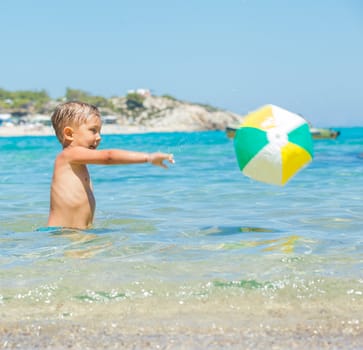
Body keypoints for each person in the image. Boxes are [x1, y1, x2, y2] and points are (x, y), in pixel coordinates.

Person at [47, 101, 174, 230]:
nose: (99, 137)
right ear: (69, 134)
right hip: (62, 233)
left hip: (72, 234)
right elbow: (108, 156)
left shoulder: (77, 164)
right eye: (93, 130)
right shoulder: (69, 155)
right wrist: (148, 157)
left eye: (99, 131)